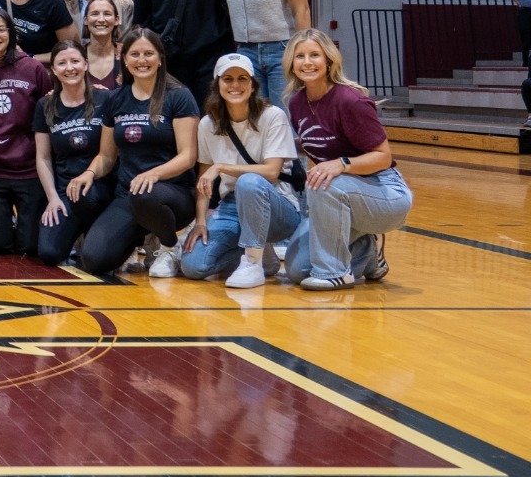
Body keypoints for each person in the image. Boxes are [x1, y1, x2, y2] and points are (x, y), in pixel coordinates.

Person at [283, 28, 412, 290]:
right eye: (300, 56)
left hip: (384, 193)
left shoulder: (349, 101)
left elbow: (383, 157)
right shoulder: (296, 102)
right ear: (291, 63)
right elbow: (315, 141)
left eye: (315, 55)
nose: (307, 62)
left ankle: (334, 273)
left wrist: (341, 164)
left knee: (322, 180)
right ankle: (366, 252)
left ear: (329, 60)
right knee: (298, 270)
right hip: (340, 196)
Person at [71, 28, 201, 278]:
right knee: (94, 260)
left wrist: (153, 174)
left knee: (146, 193)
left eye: (149, 54)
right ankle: (140, 235)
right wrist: (88, 173)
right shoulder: (116, 99)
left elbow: (188, 157)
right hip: (129, 195)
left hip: (172, 194)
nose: (142, 60)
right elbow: (107, 157)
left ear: (160, 58)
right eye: (135, 54)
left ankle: (170, 246)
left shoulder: (178, 96)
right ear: (125, 60)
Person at [179, 53, 302, 288]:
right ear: (217, 84)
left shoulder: (272, 116)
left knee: (249, 182)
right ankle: (260, 255)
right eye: (228, 79)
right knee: (193, 266)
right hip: (232, 206)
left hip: (277, 205)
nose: (235, 85)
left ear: (253, 85)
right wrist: (201, 221)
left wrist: (222, 166)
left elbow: (272, 171)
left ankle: (253, 264)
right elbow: (204, 180)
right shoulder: (208, 124)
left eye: (242, 78)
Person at [0, 8, 54, 258]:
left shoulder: (33, 68)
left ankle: (25, 228)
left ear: (11, 33)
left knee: (31, 246)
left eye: (1, 30)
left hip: (29, 170)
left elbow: (47, 116)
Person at [33, 41, 114, 267]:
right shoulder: (45, 105)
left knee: (87, 199)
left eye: (75, 61)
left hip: (99, 187)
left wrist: (89, 174)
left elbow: (110, 154)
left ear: (86, 64)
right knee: (49, 254)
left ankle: (94, 233)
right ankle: (76, 232)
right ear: (54, 70)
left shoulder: (106, 99)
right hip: (64, 191)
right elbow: (43, 157)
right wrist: (52, 198)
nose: (70, 68)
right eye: (62, 63)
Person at [81, 0, 126, 92]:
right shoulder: (75, 56)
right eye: (95, 14)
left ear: (116, 20)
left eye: (107, 14)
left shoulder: (128, 55)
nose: (101, 19)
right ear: (85, 20)